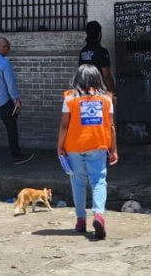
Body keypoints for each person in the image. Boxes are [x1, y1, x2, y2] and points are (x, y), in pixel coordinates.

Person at [57, 63, 118, 240]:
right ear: (97, 79)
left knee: (78, 182)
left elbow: (64, 126)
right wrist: (114, 149)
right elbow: (111, 126)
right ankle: (99, 215)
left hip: (74, 146)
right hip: (99, 146)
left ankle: (81, 220)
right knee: (98, 181)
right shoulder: (107, 98)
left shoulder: (70, 98)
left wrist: (60, 146)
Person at [0, 37, 34, 168]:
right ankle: (16, 156)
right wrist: (16, 99)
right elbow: (10, 83)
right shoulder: (4, 63)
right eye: (8, 47)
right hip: (3, 102)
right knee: (11, 128)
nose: (9, 50)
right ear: (3, 47)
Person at [78, 21, 117, 97]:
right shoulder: (102, 51)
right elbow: (106, 76)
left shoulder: (83, 51)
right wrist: (113, 93)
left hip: (85, 91)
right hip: (100, 92)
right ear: (99, 34)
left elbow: (80, 73)